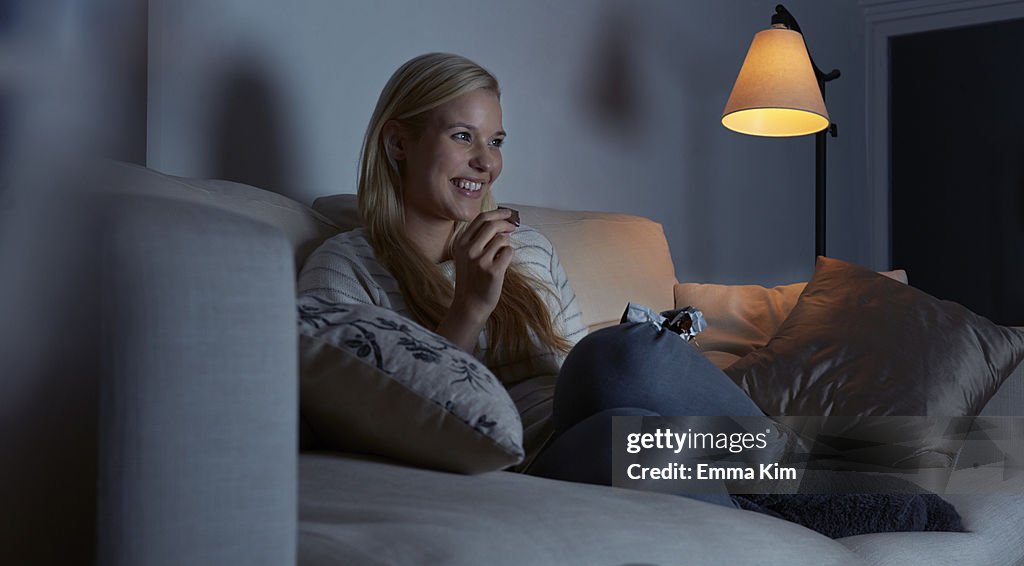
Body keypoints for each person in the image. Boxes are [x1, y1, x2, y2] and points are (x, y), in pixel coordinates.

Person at [297, 52, 767, 508]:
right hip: (524, 466)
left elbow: (580, 378)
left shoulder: (528, 246)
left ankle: (804, 485)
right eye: (463, 136)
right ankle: (814, 478)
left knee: (626, 365)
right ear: (398, 143)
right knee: (627, 425)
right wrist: (468, 309)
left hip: (579, 420)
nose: (486, 162)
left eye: (495, 142)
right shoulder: (345, 268)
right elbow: (379, 429)